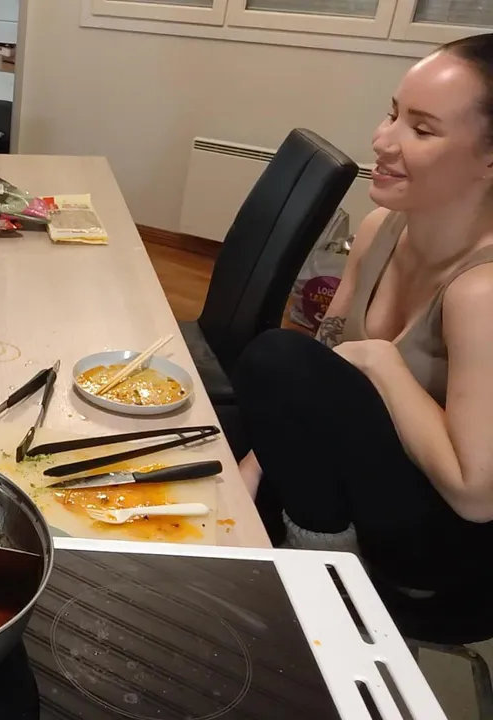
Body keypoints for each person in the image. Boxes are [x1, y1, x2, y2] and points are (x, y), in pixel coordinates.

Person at [233, 34, 493, 635]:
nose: (383, 140)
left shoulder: (481, 291)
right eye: (392, 113)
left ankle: (327, 590)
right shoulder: (381, 228)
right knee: (228, 437)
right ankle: (312, 552)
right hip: (362, 487)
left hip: (446, 556)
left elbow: (475, 496)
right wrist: (255, 462)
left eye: (422, 130)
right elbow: (324, 369)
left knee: (273, 359)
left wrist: (384, 362)